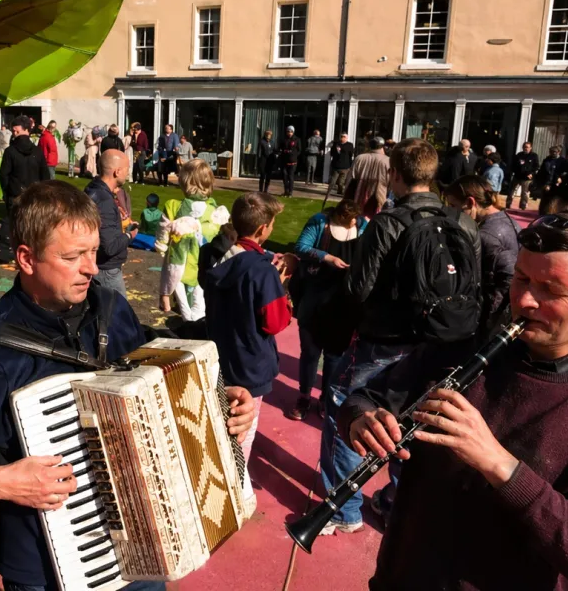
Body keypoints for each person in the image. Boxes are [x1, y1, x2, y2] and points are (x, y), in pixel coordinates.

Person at [0, 181, 256, 591]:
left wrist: (214, 399)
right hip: (47, 566)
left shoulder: (110, 309)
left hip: (144, 547)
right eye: (72, 257)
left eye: (93, 251)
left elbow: (150, 369)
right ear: (26, 259)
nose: (91, 268)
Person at [340, 208, 568, 591]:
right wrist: (361, 419)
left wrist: (500, 465)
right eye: (521, 278)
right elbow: (364, 399)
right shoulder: (461, 349)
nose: (525, 300)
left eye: (551, 289)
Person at [335, 139, 481, 527]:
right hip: (443, 343)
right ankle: (401, 508)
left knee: (354, 417)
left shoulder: (388, 223)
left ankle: (344, 510)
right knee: (416, 428)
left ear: (394, 174)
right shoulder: (463, 222)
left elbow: (359, 289)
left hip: (386, 341)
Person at [201, 192, 291, 465]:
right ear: (263, 229)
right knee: (243, 433)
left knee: (221, 423)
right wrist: (282, 289)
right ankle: (237, 482)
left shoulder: (215, 257)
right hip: (251, 363)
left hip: (221, 354)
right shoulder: (263, 272)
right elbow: (275, 322)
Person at [287, 199, 366, 421]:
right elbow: (301, 247)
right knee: (310, 353)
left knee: (334, 356)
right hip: (314, 298)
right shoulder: (320, 223)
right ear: (338, 216)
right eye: (349, 219)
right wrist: (327, 257)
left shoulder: (362, 226)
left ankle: (326, 398)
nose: (353, 223)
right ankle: (304, 397)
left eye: (355, 219)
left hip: (344, 303)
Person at [444, 175, 521, 338]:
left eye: (453, 206)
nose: (452, 212)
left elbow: (509, 276)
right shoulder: (510, 221)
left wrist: (490, 319)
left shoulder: (486, 235)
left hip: (495, 316)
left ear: (470, 202)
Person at [156, 159, 229, 321]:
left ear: (184, 183)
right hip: (204, 263)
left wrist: (161, 246)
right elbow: (224, 236)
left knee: (182, 298)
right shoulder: (215, 210)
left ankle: (175, 307)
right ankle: (195, 322)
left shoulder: (173, 206)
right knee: (199, 301)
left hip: (179, 261)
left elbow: (163, 230)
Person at [85, 150, 135, 298]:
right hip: (106, 270)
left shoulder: (94, 189)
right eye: (127, 169)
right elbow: (109, 247)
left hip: (98, 264)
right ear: (117, 171)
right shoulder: (104, 200)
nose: (128, 173)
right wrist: (130, 235)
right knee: (119, 310)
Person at [0, 116, 47, 214]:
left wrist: (7, 192)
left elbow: (4, 175)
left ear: (27, 129)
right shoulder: (38, 151)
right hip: (33, 195)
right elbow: (45, 176)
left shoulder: (10, 151)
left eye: (16, 131)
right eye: (13, 131)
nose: (14, 133)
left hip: (18, 195)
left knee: (16, 221)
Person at [346, 135, 390, 217]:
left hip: (358, 198)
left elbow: (350, 178)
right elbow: (390, 182)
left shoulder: (359, 158)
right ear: (383, 147)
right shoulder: (387, 161)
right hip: (379, 199)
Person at [506, 141, 539, 210]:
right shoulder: (519, 155)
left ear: (530, 148)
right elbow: (513, 165)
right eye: (524, 147)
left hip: (527, 178)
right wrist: (513, 172)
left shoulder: (534, 156)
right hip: (517, 176)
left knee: (525, 193)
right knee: (512, 191)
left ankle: (523, 206)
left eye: (527, 147)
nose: (526, 148)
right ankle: (508, 204)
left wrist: (531, 173)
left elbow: (536, 167)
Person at [279, 126, 302, 197]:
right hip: (284, 161)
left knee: (290, 177)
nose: (289, 133)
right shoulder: (284, 139)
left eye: (291, 132)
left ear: (293, 132)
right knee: (284, 177)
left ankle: (290, 192)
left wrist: (293, 155)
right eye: (288, 132)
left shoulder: (297, 139)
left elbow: (299, 150)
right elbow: (280, 148)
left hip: (293, 161)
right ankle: (286, 191)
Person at [257, 129, 277, 194]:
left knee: (268, 176)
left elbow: (274, 151)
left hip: (270, 161)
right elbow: (259, 152)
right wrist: (259, 160)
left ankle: (266, 189)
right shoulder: (261, 142)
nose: (268, 136)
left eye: (270, 135)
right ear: (265, 135)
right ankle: (260, 189)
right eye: (267, 134)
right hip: (263, 160)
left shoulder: (272, 142)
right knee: (262, 175)